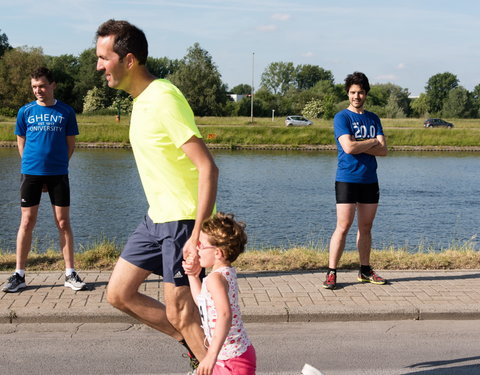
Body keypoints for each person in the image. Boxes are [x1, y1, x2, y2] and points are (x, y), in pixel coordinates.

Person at [95, 19, 219, 371]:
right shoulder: (141, 100)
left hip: (182, 220)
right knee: (119, 293)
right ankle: (196, 347)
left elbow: (208, 168)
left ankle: (215, 362)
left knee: (182, 312)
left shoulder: (163, 97)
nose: (99, 66)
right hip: (157, 217)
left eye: (104, 58)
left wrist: (196, 236)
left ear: (129, 60)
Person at [2, 67, 85, 293]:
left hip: (59, 173)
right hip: (31, 173)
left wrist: (57, 167)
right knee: (27, 222)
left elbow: (70, 145)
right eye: (34, 87)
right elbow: (21, 142)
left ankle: (70, 274)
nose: (38, 90)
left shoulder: (66, 112)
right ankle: (19, 275)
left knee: (63, 222)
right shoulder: (25, 112)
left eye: (42, 86)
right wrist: (31, 166)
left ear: (53, 85)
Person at [323, 72, 388, 290]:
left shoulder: (373, 118)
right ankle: (332, 272)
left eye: (360, 92)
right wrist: (371, 142)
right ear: (348, 94)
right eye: (352, 92)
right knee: (343, 226)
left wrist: (361, 143)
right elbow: (348, 148)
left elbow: (384, 150)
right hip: (347, 179)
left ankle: (365, 270)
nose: (356, 96)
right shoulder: (342, 118)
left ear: (366, 93)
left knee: (366, 227)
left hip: (370, 180)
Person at [183, 213, 256, 375]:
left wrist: (211, 356)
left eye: (201, 245)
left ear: (218, 253)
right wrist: (192, 275)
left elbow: (224, 315)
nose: (197, 249)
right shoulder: (224, 273)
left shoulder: (215, 279)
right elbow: (202, 301)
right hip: (231, 356)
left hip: (232, 359)